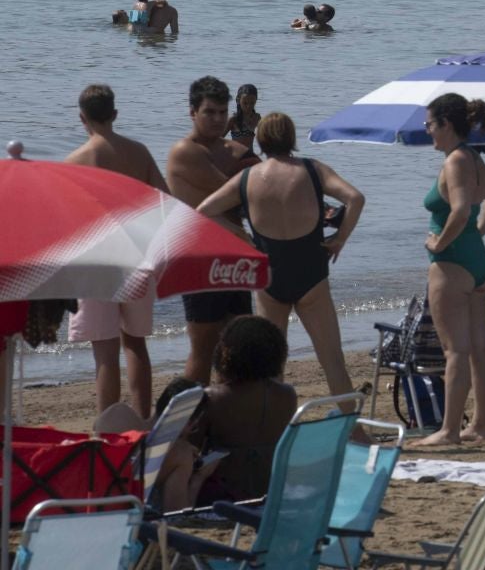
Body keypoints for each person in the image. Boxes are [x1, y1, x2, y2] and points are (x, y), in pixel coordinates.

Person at [197, 112, 364, 398]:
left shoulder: (247, 178)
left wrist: (244, 238)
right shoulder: (313, 170)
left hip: (269, 277)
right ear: (291, 138)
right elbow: (355, 198)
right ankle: (355, 433)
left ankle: (274, 433)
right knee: (333, 362)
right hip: (311, 276)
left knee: (271, 369)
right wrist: (339, 239)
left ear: (260, 140)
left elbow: (202, 212)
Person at [64, 84, 167, 417]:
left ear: (82, 118)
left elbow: (68, 222)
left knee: (105, 353)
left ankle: (107, 427)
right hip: (137, 255)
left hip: (97, 261)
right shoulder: (139, 152)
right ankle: (143, 418)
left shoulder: (76, 161)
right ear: (115, 115)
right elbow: (165, 202)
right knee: (135, 343)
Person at [418, 93, 485, 448]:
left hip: (452, 263)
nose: (427, 132)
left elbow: (457, 210)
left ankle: (450, 430)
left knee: (454, 349)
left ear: (446, 124)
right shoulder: (473, 157)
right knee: (479, 349)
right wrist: (477, 234)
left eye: (429, 125)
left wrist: (440, 244)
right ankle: (479, 425)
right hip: (476, 261)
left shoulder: (455, 160)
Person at [166, 76, 257, 384]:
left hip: (236, 256)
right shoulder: (184, 151)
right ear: (192, 112)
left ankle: (229, 418)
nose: (217, 119)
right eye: (209, 112)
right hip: (200, 259)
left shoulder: (236, 150)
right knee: (204, 349)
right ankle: (192, 423)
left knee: (239, 346)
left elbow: (255, 196)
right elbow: (235, 193)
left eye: (222, 112)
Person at [183, 316, 298, 506]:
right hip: (271, 488)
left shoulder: (211, 398)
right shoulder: (288, 395)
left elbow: (191, 451)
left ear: (226, 354)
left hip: (223, 493)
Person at [229, 84, 260, 149]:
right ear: (238, 100)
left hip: (250, 156)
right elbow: (219, 139)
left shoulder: (256, 118)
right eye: (245, 103)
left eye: (252, 103)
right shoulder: (234, 119)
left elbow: (269, 135)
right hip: (235, 157)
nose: (248, 106)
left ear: (256, 100)